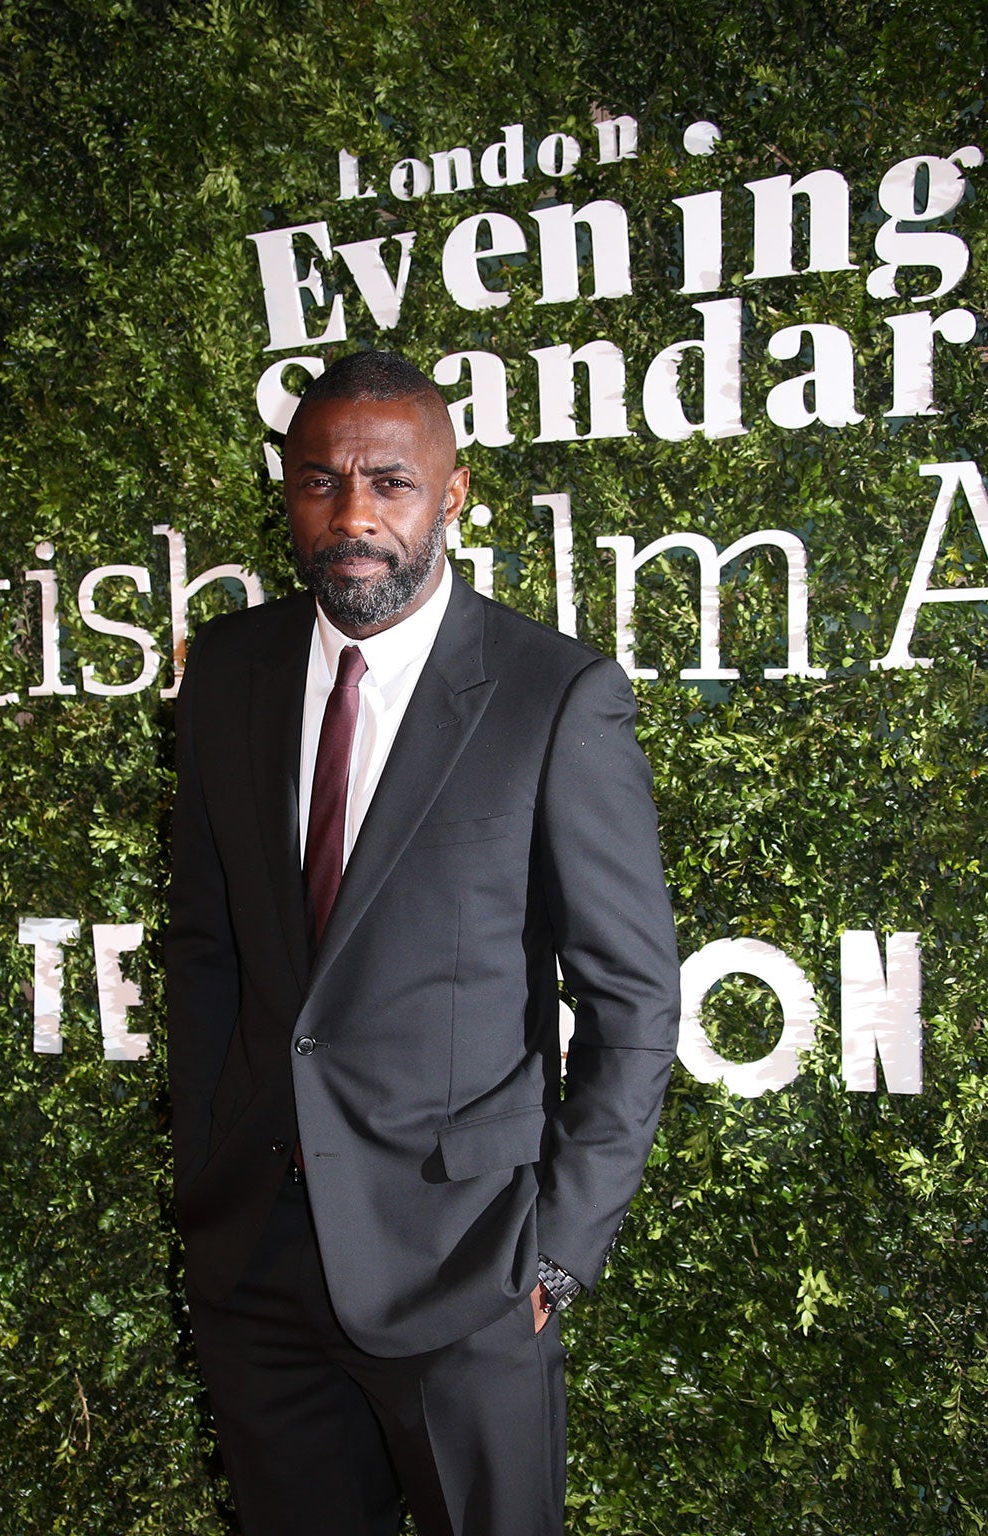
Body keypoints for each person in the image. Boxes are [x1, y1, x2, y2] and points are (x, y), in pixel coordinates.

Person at [165, 349, 680, 1536]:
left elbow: (631, 1001)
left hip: (468, 1268)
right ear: (285, 491)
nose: (352, 516)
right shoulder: (230, 672)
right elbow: (206, 949)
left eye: (389, 482)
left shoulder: (553, 697)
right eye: (318, 482)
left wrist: (553, 1254)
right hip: (257, 1259)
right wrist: (205, 1173)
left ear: (450, 494)